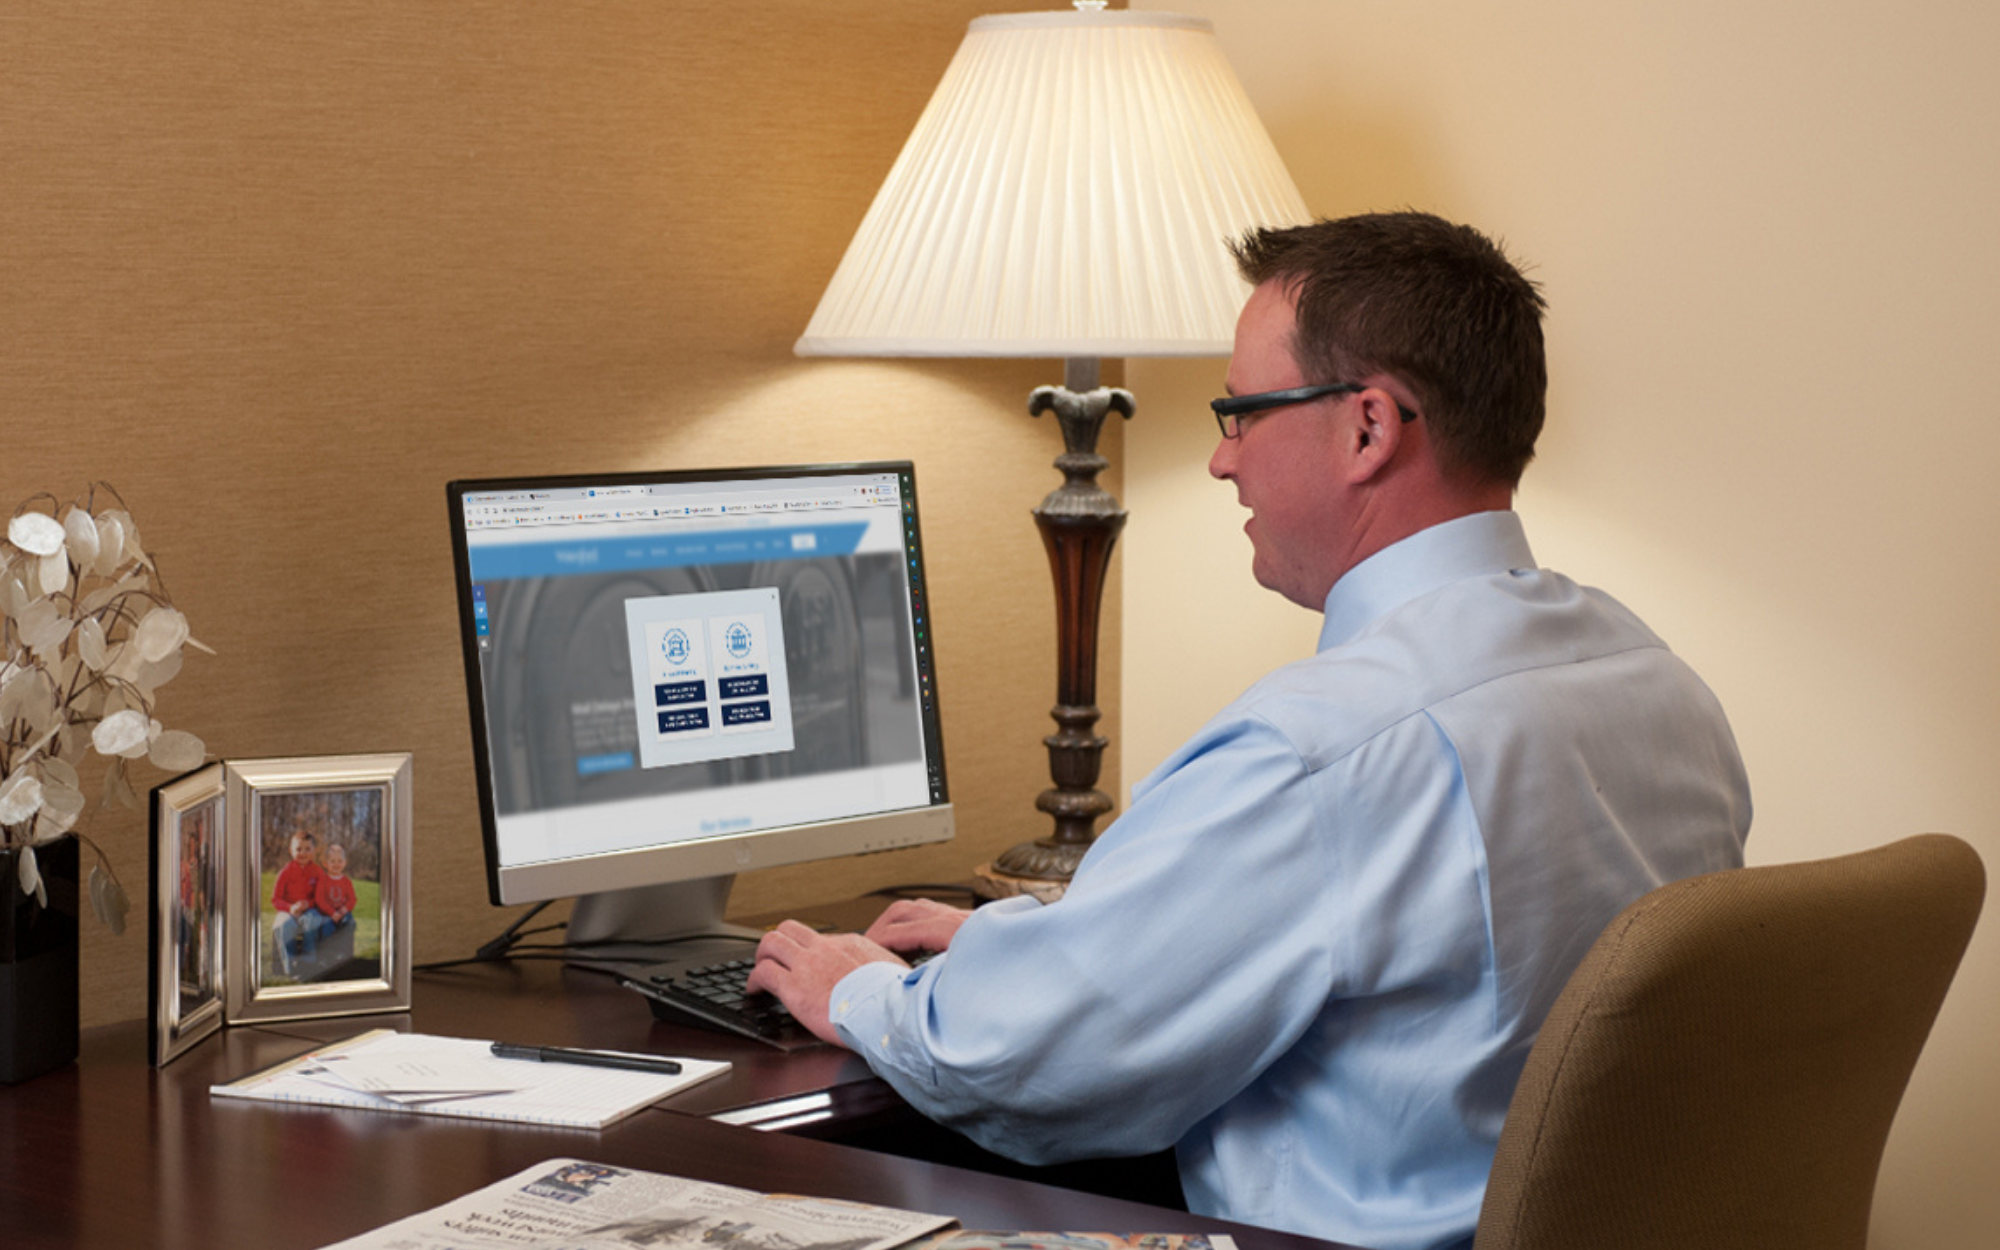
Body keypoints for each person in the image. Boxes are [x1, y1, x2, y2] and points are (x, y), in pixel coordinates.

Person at [746, 211, 1752, 1250]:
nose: (1223, 461)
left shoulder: (1322, 751)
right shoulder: (1655, 681)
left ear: (1366, 427)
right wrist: (1030, 941)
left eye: (1241, 413)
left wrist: (855, 985)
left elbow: (1021, 1059)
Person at [270, 829, 325, 976]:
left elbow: (321, 897)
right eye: (299, 849)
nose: (303, 853)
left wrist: (309, 904)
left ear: (314, 850)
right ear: (291, 850)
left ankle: (308, 961)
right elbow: (275, 899)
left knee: (313, 920)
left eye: (307, 849)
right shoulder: (285, 872)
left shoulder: (317, 872)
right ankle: (290, 966)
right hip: (288, 910)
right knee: (283, 925)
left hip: (309, 909)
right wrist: (290, 907)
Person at [312, 841, 359, 967]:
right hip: (327, 913)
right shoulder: (323, 880)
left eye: (340, 861)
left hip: (343, 912)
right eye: (332, 861)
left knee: (350, 924)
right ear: (326, 864)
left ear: (345, 862)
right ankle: (326, 957)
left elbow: (352, 899)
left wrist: (344, 910)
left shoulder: (346, 881)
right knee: (327, 927)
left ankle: (346, 955)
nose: (336, 864)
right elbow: (320, 900)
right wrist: (332, 913)